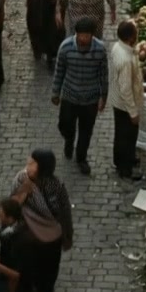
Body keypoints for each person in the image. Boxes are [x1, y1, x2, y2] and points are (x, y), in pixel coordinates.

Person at [11, 149, 73, 292]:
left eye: (32, 163)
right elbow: (12, 207)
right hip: (26, 234)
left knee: (48, 270)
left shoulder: (56, 186)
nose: (27, 165)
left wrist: (68, 234)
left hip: (50, 237)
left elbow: (65, 212)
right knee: (25, 265)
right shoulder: (21, 179)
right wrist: (25, 191)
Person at [52, 16, 108, 176]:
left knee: (86, 130)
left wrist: (104, 96)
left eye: (87, 35)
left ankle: (81, 157)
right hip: (70, 96)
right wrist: (55, 92)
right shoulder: (66, 47)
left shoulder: (100, 50)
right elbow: (59, 71)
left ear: (92, 35)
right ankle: (69, 140)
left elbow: (104, 74)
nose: (84, 39)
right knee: (65, 125)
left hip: (90, 99)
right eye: (81, 35)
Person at [109, 21, 143, 181]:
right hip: (125, 105)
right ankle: (126, 169)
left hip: (118, 101)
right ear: (130, 37)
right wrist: (133, 112)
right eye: (136, 33)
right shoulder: (126, 60)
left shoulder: (118, 47)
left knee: (121, 134)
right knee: (127, 136)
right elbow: (125, 89)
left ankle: (122, 160)